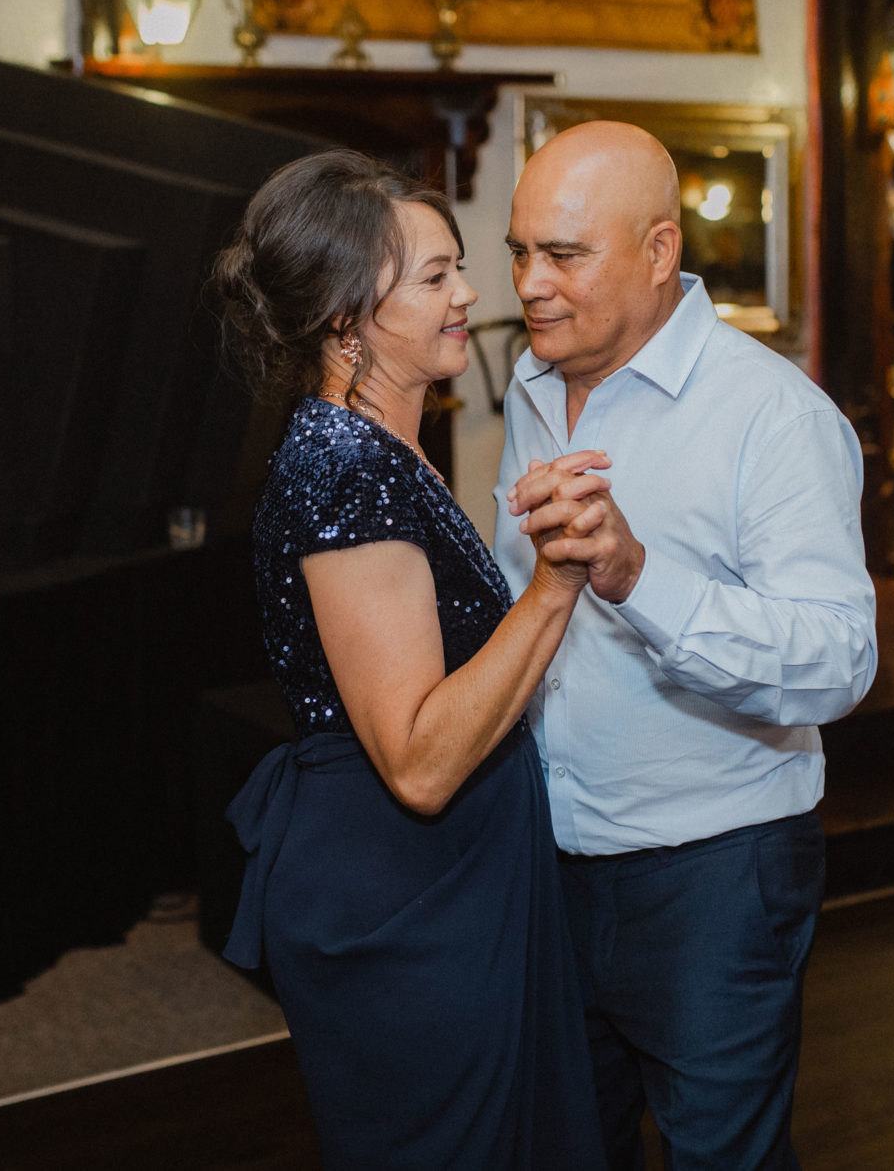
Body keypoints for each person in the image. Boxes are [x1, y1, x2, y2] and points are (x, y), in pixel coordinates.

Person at [495, 121, 878, 1169]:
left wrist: (635, 575)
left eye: (561, 254)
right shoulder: (530, 388)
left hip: (711, 870)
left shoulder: (771, 415)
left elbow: (840, 660)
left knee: (723, 1157)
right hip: (547, 855)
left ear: (658, 252)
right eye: (518, 252)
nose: (529, 282)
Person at [212, 149, 604, 1169]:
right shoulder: (345, 470)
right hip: (406, 894)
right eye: (433, 277)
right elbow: (421, 763)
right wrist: (556, 582)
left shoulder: (377, 449)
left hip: (444, 875)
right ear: (345, 320)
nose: (469, 294)